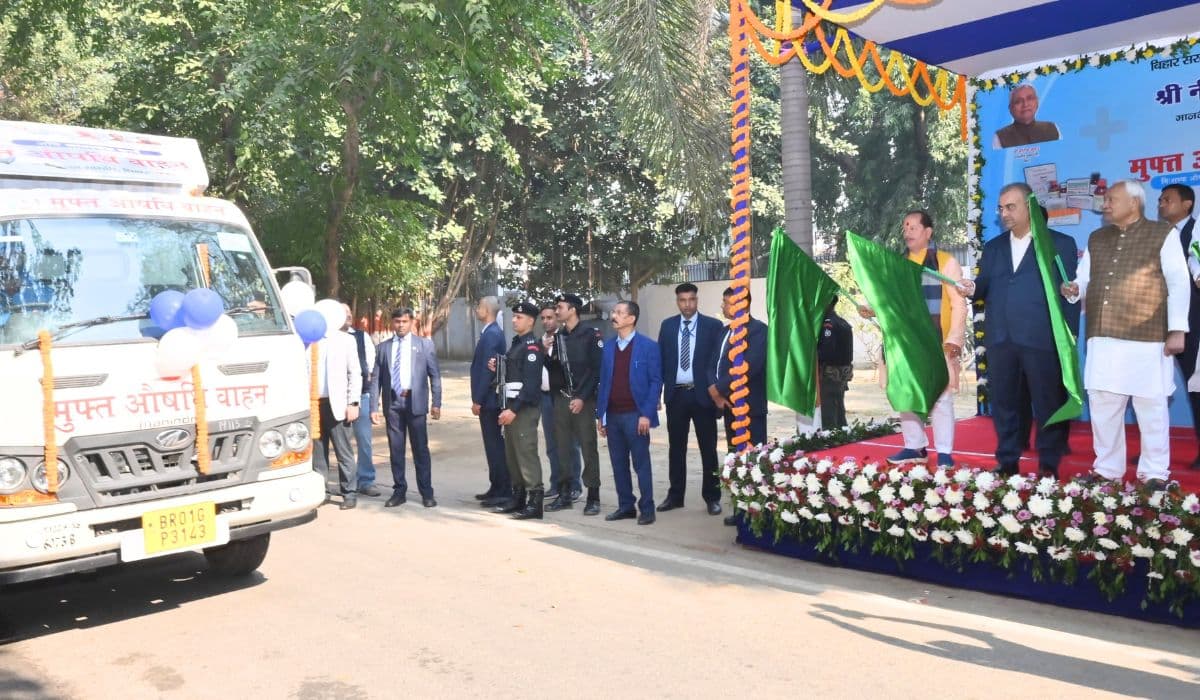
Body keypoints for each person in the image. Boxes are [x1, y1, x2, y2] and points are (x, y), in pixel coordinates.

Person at [1061, 180, 1189, 489]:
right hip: (1103, 337)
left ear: (1134, 203)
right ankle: (1107, 470)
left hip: (1148, 337)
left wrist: (1177, 330)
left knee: (1151, 407)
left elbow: (1179, 282)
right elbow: (1084, 279)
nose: (1104, 204)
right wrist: (1075, 289)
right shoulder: (1096, 238)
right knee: (1104, 406)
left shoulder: (1163, 234)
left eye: (1111, 199)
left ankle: (1155, 473)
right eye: (1104, 200)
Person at [958, 183, 1077, 478]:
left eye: (1010, 207)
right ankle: (1007, 461)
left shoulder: (1059, 244)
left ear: (1029, 206)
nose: (1004, 214)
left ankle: (1048, 465)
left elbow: (1070, 293)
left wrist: (1069, 335)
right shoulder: (993, 247)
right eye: (1001, 208)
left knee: (1048, 403)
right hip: (1001, 339)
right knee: (1004, 403)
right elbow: (983, 287)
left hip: (1042, 338)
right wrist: (972, 288)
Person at [864, 210, 967, 468]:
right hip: (905, 343)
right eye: (905, 227)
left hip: (936, 340)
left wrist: (955, 338)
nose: (907, 232)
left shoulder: (945, 262)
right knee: (906, 392)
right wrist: (872, 309)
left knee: (940, 397)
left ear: (928, 232)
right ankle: (914, 446)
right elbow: (890, 302)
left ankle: (944, 452)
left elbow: (958, 304)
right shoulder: (897, 264)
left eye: (913, 227)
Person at [657, 282, 724, 515]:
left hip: (703, 396)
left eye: (691, 299)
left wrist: (717, 391)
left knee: (708, 448)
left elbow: (718, 361)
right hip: (676, 395)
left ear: (697, 300)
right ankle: (675, 496)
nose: (687, 304)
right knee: (676, 448)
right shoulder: (667, 326)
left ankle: (712, 497)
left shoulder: (712, 326)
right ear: (677, 301)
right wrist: (657, 394)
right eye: (683, 300)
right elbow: (661, 361)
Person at [596, 301, 663, 525]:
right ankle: (626, 506)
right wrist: (601, 415)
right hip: (613, 415)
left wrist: (646, 414)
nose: (613, 315)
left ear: (632, 318)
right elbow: (604, 382)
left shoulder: (648, 346)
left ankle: (647, 508)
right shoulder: (608, 347)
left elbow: (655, 382)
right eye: (614, 312)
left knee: (641, 464)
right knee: (618, 464)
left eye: (619, 312)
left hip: (636, 415)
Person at [370, 308, 442, 508]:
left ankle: (426, 493)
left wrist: (436, 403)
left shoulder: (424, 345)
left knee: (420, 449)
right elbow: (376, 379)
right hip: (393, 403)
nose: (400, 325)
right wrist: (373, 406)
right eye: (397, 321)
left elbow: (435, 375)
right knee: (396, 449)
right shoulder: (383, 348)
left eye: (404, 321)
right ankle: (399, 491)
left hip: (415, 402)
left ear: (411, 322)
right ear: (392, 323)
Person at [711, 286, 768, 526]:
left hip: (750, 406)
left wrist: (719, 387)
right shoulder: (725, 331)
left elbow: (749, 366)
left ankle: (757, 512)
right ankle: (740, 509)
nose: (723, 306)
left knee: (753, 461)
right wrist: (713, 389)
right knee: (735, 459)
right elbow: (712, 363)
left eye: (726, 302)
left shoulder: (758, 331)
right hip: (729, 406)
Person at [543, 293, 604, 515]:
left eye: (560, 307)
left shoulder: (590, 335)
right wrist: (546, 353)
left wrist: (582, 397)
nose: (556, 311)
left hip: (583, 400)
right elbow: (555, 370)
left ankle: (593, 497)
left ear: (572, 310)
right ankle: (565, 493)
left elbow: (596, 370)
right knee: (563, 448)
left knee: (588, 447)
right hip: (561, 399)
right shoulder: (559, 336)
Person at [492, 302, 546, 520]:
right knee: (513, 454)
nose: (514, 320)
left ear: (531, 321)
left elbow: (531, 385)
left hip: (522, 409)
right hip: (511, 406)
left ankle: (535, 502)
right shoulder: (517, 344)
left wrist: (513, 410)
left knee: (525, 453)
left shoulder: (532, 348)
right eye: (514, 316)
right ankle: (518, 497)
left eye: (519, 317)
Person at [1159, 183, 1200, 470]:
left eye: (1168, 199)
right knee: (1153, 390)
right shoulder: (1158, 236)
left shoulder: (1196, 232)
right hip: (1159, 326)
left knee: (1198, 389)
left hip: (1194, 325)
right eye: (1160, 200)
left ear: (1187, 204)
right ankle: (1155, 454)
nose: (1161, 204)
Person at [311, 302, 362, 510]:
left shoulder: (345, 340)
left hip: (338, 405)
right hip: (314, 404)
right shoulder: (308, 339)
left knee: (344, 451)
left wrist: (353, 402)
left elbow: (355, 373)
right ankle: (321, 491)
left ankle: (349, 492)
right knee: (317, 452)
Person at [539, 304, 582, 500]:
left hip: (563, 396)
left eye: (550, 317)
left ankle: (574, 485)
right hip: (545, 397)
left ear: (557, 318)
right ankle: (556, 483)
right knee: (551, 444)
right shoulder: (539, 342)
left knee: (570, 444)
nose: (546, 321)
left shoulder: (565, 339)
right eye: (543, 318)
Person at [471, 296, 510, 507]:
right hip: (487, 399)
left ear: (486, 310)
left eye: (479, 306)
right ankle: (495, 486)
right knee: (491, 446)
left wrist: (478, 399)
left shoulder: (492, 334)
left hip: (490, 400)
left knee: (495, 447)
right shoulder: (489, 332)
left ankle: (503, 490)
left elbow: (488, 371)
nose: (477, 310)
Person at [341, 303, 379, 496]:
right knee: (341, 442)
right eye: (343, 312)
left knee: (364, 440)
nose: (348, 315)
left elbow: (370, 368)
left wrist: (371, 399)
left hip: (360, 395)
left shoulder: (361, 337)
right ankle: (346, 483)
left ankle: (366, 480)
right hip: (335, 398)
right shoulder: (327, 339)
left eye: (349, 312)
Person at [817, 299, 854, 429]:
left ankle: (832, 434)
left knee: (829, 409)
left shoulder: (829, 324)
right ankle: (841, 433)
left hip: (831, 373)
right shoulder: (842, 322)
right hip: (842, 372)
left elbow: (826, 351)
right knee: (839, 407)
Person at [992, 84, 1060, 148]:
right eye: (1018, 101)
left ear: (1037, 103)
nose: (1025, 104)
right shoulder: (1000, 137)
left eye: (1030, 98)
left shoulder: (1052, 128)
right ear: (1010, 108)